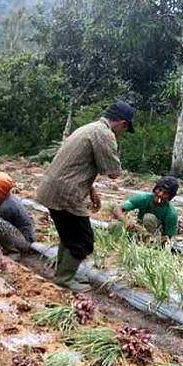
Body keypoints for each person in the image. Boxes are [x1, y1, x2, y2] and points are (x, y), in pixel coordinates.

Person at [36, 101, 134, 291]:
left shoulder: (88, 128)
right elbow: (113, 172)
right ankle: (64, 278)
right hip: (66, 193)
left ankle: (62, 272)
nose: (122, 133)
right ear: (122, 123)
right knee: (83, 240)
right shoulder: (105, 134)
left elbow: (78, 164)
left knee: (69, 235)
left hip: (53, 188)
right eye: (124, 129)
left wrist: (91, 190)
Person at [113, 176, 179, 238]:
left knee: (148, 218)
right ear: (155, 189)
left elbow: (169, 237)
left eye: (165, 193)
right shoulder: (144, 198)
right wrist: (126, 222)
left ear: (170, 196)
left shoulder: (171, 213)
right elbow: (118, 209)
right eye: (159, 190)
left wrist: (158, 240)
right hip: (138, 230)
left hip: (155, 237)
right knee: (114, 227)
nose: (160, 194)